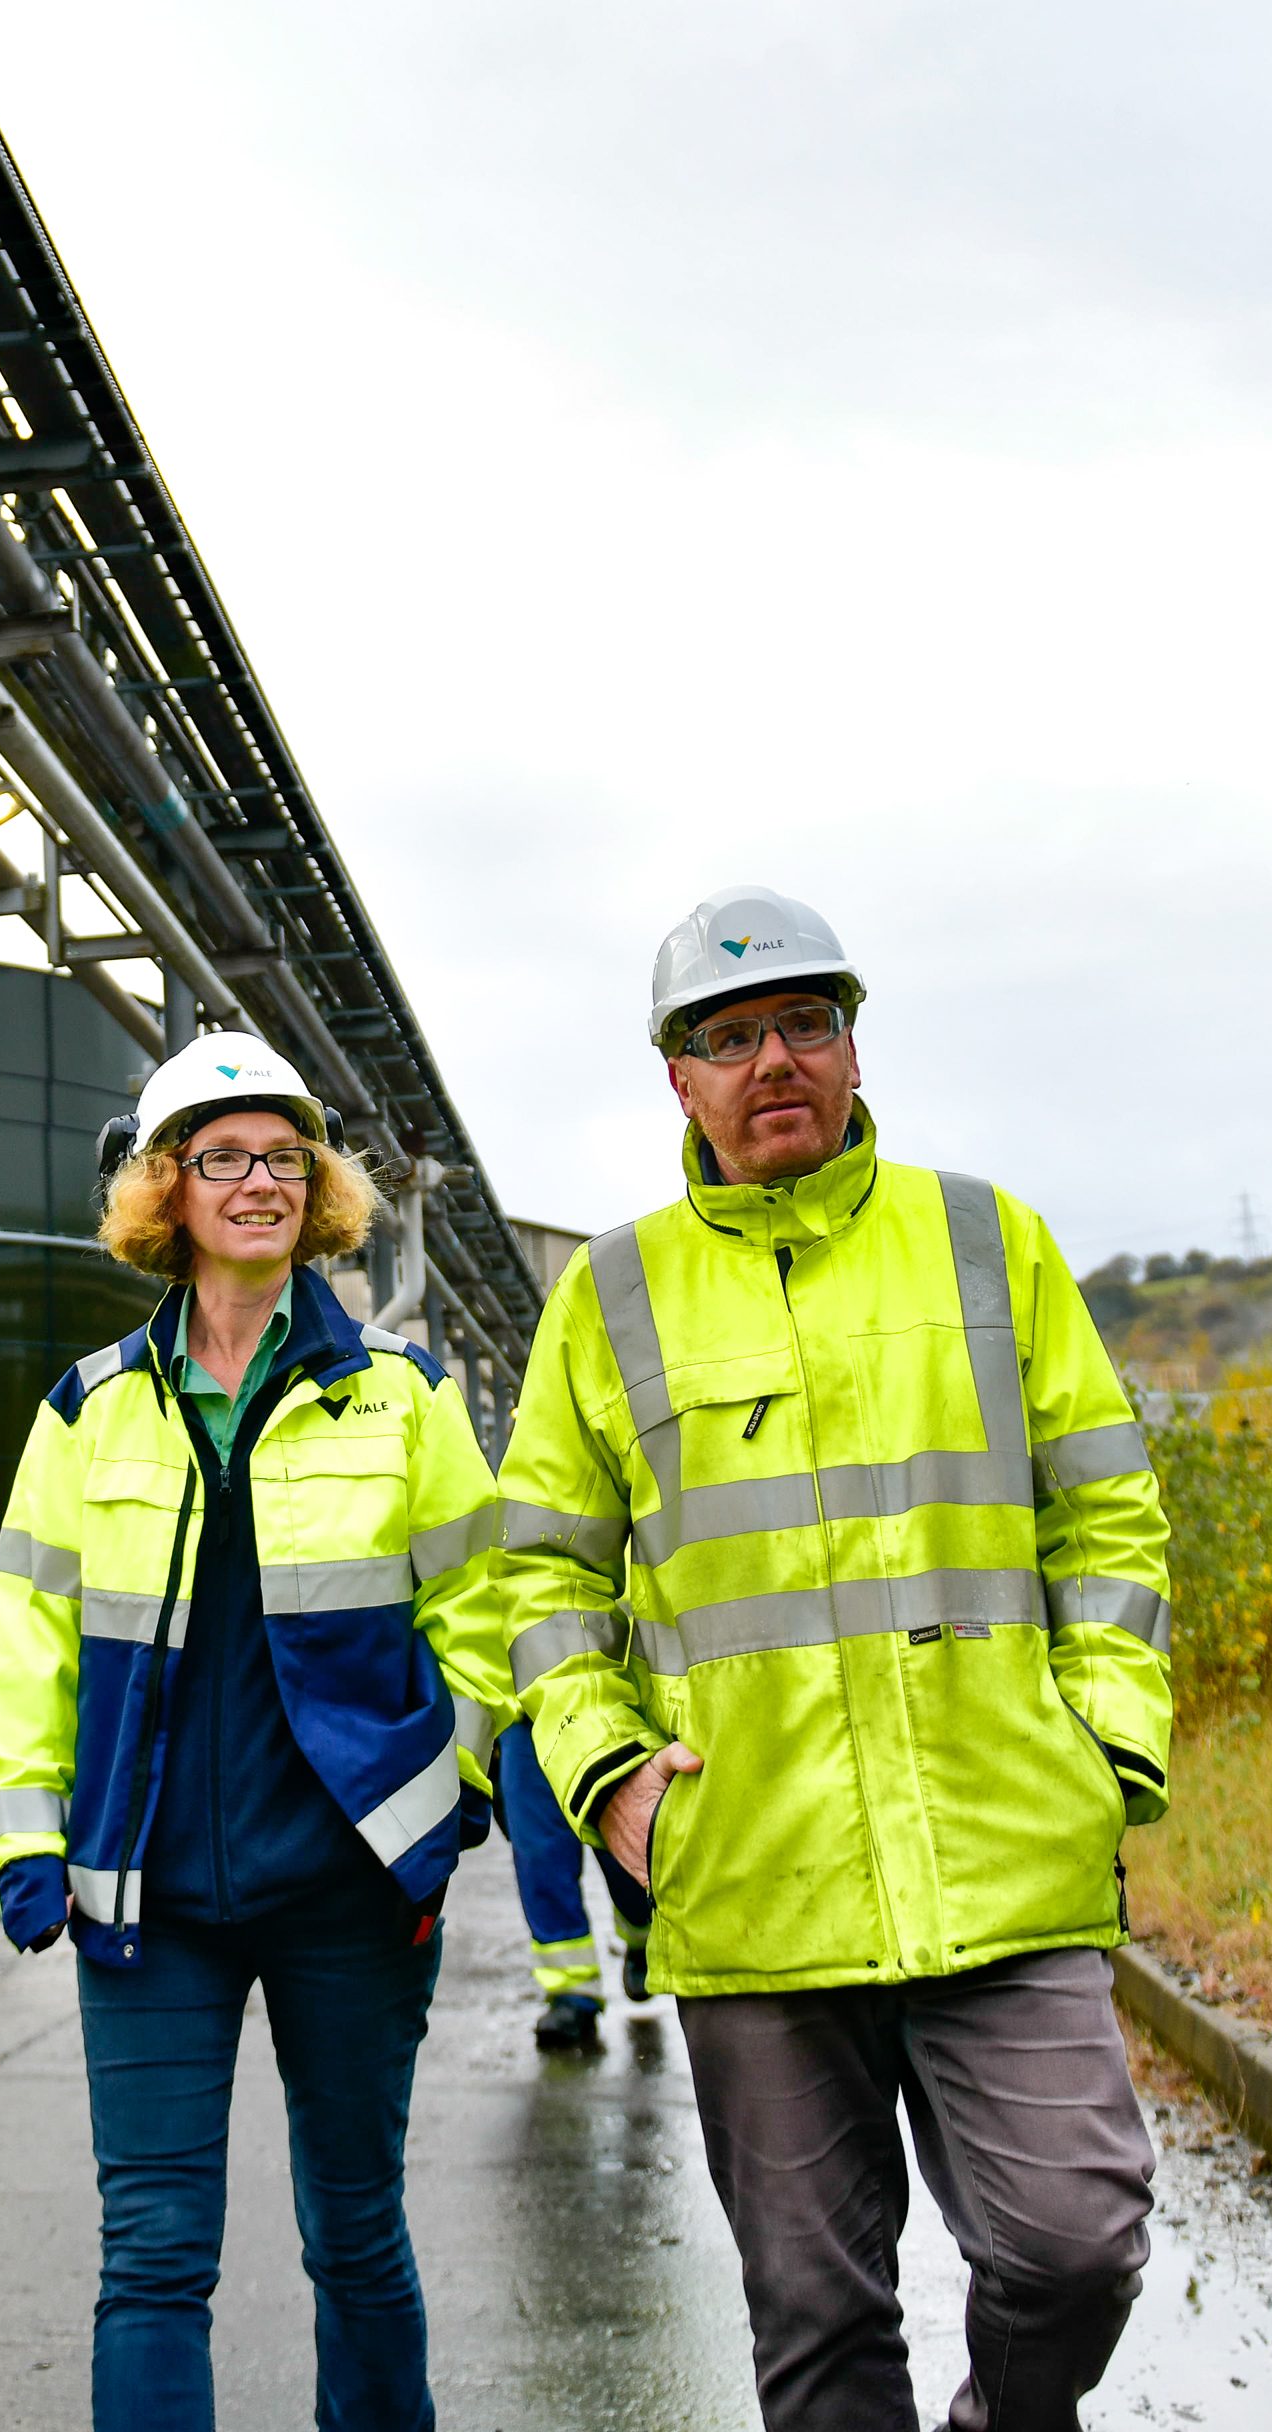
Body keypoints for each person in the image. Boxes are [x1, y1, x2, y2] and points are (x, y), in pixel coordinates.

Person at [493, 887, 1175, 2432]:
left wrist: (1107, 1740)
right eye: (727, 1038)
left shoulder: (987, 1240)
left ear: (856, 1044)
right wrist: (610, 1778)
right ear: (679, 1079)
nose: (772, 1061)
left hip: (1005, 1853)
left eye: (805, 1023)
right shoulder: (607, 1296)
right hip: (753, 1878)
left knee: (1074, 2247)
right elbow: (538, 1576)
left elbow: (1107, 1513)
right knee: (815, 2322)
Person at [0, 1031, 514, 2432]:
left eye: (286, 1154)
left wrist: (443, 1800)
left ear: (318, 1185)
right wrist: (27, 1846)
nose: (260, 1179)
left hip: (350, 1893)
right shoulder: (90, 1411)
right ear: (167, 1187)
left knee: (355, 2233)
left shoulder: (400, 1397)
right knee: (152, 2260)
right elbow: (27, 1644)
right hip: (147, 1900)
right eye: (224, 1155)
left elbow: (486, 1617)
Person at [496, 1711, 656, 2053]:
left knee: (625, 1845)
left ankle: (643, 1936)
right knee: (540, 1857)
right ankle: (572, 1992)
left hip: (600, 1704)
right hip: (522, 1715)